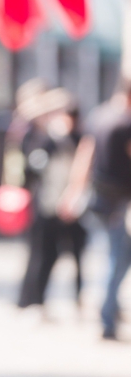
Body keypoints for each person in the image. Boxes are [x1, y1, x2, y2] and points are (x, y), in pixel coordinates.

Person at [59, 80, 131, 339]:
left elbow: (84, 157)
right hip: (118, 202)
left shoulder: (98, 116)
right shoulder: (125, 124)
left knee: (111, 256)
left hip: (97, 199)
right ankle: (107, 317)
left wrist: (73, 191)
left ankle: (111, 310)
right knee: (116, 259)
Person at [15, 88, 87, 312]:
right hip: (45, 203)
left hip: (67, 205)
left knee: (62, 254)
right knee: (40, 254)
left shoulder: (73, 136)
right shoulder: (38, 136)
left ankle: (47, 300)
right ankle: (30, 301)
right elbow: (31, 167)